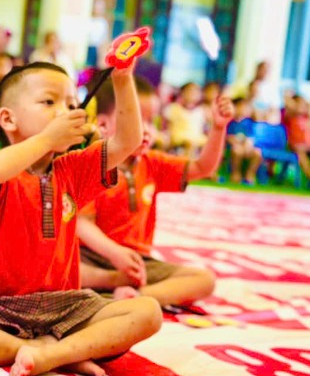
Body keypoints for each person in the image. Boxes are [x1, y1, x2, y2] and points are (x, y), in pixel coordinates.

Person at [0, 56, 163, 376]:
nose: (64, 112)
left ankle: (53, 354)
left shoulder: (73, 170)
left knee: (147, 312)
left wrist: (122, 80)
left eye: (71, 104)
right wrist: (48, 138)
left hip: (67, 306)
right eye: (49, 102)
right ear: (8, 119)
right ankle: (52, 350)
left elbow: (127, 142)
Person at [78, 75, 230, 306]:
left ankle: (134, 298)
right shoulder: (92, 164)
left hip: (138, 263)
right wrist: (115, 254)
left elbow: (202, 168)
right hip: (90, 256)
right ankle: (113, 284)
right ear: (103, 125)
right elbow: (81, 223)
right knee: (57, 270)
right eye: (136, 121)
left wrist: (218, 128)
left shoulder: (152, 163)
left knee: (204, 280)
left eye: (151, 122)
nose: (147, 130)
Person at [224, 94, 261, 186]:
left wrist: (247, 146)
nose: (244, 109)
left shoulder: (249, 123)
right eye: (241, 107)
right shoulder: (230, 122)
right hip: (234, 146)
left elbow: (250, 138)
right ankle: (236, 173)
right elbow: (228, 137)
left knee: (257, 153)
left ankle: (250, 174)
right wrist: (236, 142)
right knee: (237, 150)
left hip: (246, 147)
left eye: (246, 107)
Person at [283, 93, 310, 181]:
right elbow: (287, 102)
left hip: (306, 145)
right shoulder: (290, 116)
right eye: (299, 104)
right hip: (293, 145)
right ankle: (309, 172)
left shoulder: (306, 118)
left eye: (304, 104)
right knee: (300, 150)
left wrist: (309, 108)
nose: (302, 107)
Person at [164, 81, 208, 155]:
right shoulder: (173, 108)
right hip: (178, 135)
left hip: (196, 136)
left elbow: (205, 128)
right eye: (189, 91)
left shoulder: (202, 111)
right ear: (182, 93)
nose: (192, 94)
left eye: (195, 92)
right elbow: (167, 126)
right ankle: (187, 162)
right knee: (190, 143)